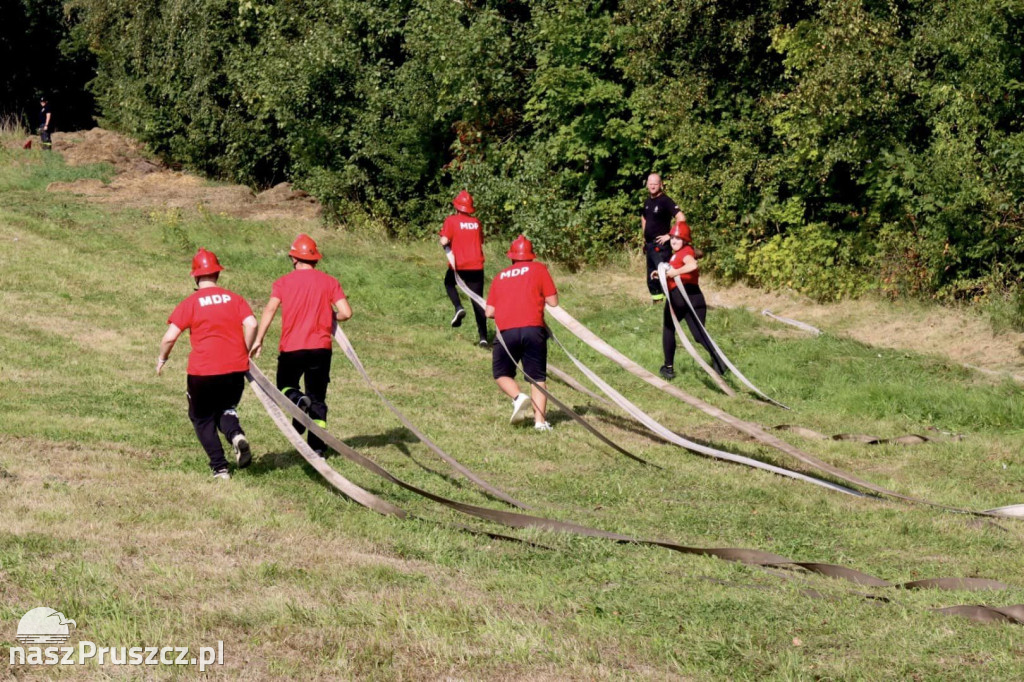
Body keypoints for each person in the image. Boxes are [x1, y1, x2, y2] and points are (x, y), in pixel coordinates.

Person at [157, 248, 257, 479]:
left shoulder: (191, 302)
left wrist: (162, 358)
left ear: (195, 275)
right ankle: (235, 436)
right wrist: (246, 350)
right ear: (218, 274)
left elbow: (170, 337)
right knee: (225, 408)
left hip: (203, 372)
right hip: (234, 369)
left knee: (201, 418)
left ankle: (220, 467)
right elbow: (251, 324)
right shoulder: (235, 298)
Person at [250, 233, 351, 457]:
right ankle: (318, 447)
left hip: (292, 349)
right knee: (317, 398)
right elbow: (346, 313)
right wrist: (331, 316)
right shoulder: (329, 281)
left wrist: (259, 339)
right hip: (320, 349)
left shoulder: (284, 282)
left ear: (294, 259)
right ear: (315, 259)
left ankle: (296, 400)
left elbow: (269, 309)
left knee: (285, 385)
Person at [485, 235, 559, 431]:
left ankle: (518, 397)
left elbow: (489, 312)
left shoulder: (500, 276)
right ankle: (540, 423)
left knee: (501, 373)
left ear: (512, 257)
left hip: (506, 332)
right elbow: (553, 302)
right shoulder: (539, 269)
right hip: (533, 329)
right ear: (531, 256)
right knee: (537, 377)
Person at [652, 220, 726, 380]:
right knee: (699, 336)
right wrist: (661, 274)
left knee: (669, 328)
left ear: (685, 240)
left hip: (682, 297)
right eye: (672, 238)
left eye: (678, 239)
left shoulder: (685, 253)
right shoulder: (681, 253)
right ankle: (719, 360)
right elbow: (675, 271)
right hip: (694, 297)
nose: (673, 241)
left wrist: (675, 272)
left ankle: (668, 368)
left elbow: (692, 266)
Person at [440, 190, 489, 347]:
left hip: (460, 265)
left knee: (448, 283)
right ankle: (483, 338)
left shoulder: (451, 220)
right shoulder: (476, 222)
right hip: (477, 266)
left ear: (457, 207)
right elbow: (481, 240)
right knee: (477, 301)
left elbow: (444, 241)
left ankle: (458, 307)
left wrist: (444, 240)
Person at [641, 173, 685, 302]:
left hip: (661, 246)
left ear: (660, 184)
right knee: (651, 275)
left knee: (663, 274)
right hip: (649, 244)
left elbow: (681, 218)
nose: (652, 186)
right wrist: (645, 236)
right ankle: (657, 301)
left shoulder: (666, 201)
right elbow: (643, 217)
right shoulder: (648, 201)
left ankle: (671, 301)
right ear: (647, 184)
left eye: (655, 183)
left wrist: (670, 235)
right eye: (650, 183)